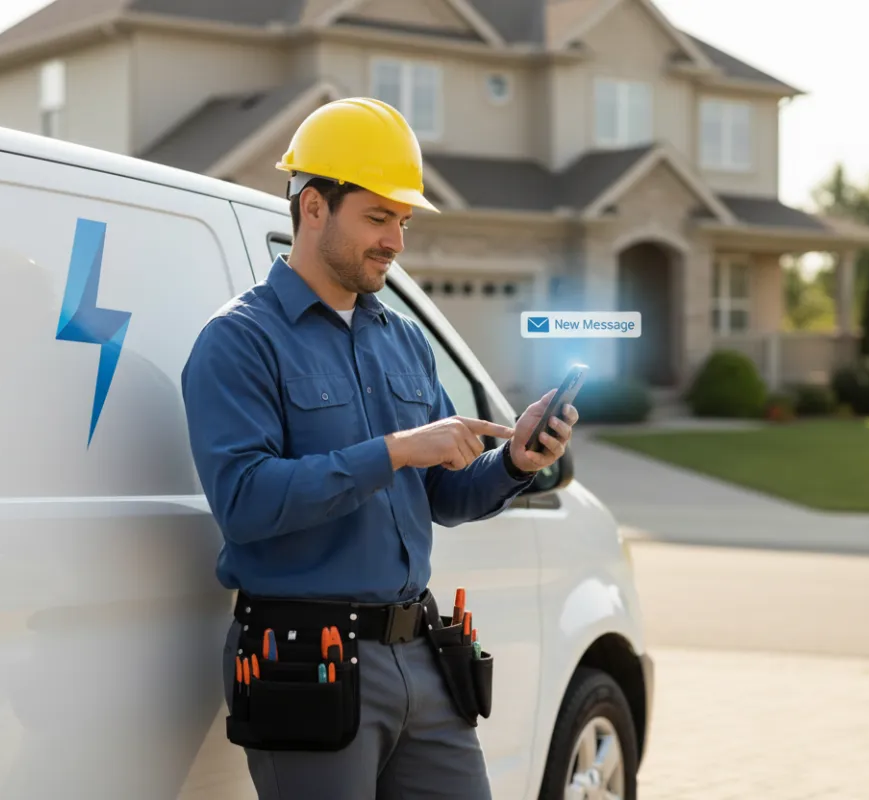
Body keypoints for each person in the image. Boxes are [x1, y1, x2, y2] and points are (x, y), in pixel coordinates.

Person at [180, 96, 578, 799]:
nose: (395, 240)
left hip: (422, 656)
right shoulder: (238, 341)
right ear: (311, 208)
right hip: (307, 662)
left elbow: (444, 495)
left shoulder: (401, 338)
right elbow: (244, 503)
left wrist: (516, 461)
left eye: (402, 220)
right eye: (377, 217)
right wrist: (394, 449)